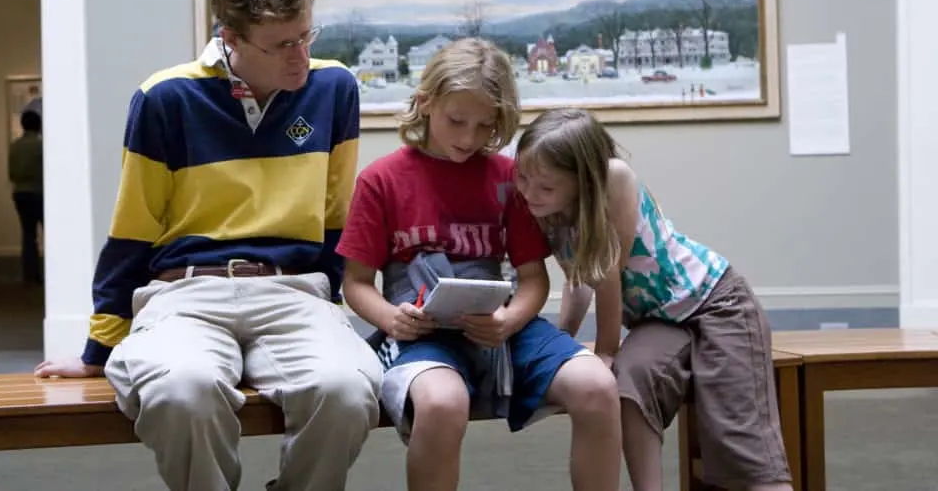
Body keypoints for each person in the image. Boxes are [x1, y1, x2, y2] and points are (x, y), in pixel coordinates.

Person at [34, 0, 383, 491]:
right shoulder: (165, 97)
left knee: (347, 390)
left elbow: (336, 216)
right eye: (281, 45)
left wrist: (333, 308)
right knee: (182, 390)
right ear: (232, 38)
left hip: (293, 292)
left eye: (307, 37)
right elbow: (134, 227)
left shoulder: (334, 87)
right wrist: (98, 348)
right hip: (184, 295)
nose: (300, 57)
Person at [338, 38, 621, 491]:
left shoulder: (508, 176)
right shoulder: (381, 180)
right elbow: (355, 283)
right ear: (426, 102)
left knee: (597, 387)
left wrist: (509, 319)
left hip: (499, 326)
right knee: (442, 403)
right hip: (419, 335)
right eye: (456, 121)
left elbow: (532, 279)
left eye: (484, 126)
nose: (469, 139)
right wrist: (392, 318)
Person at [514, 107, 792, 491]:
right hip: (658, 321)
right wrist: (561, 344)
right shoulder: (548, 211)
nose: (529, 193)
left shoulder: (614, 179)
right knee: (629, 388)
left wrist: (607, 350)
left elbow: (608, 273)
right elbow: (579, 283)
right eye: (523, 178)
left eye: (544, 187)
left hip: (716, 302)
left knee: (736, 432)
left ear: (583, 182)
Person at [8, 109, 44, 284]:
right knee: (48, 235)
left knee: (28, 235)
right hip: (39, 192)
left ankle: (30, 274)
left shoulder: (15, 146)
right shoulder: (40, 146)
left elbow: (12, 173)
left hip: (21, 193)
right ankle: (51, 274)